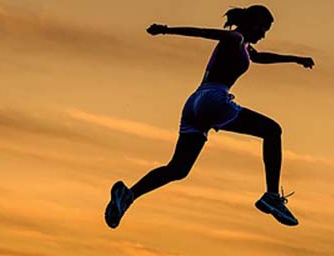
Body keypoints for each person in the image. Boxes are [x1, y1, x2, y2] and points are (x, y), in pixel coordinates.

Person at [105, 5, 314, 229]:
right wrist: (166, 30)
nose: (264, 35)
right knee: (272, 130)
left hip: (195, 103)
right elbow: (203, 32)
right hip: (214, 99)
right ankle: (271, 196)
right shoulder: (235, 37)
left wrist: (296, 58)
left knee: (178, 169)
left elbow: (260, 57)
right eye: (264, 29)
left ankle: (128, 195)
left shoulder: (244, 45)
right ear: (253, 23)